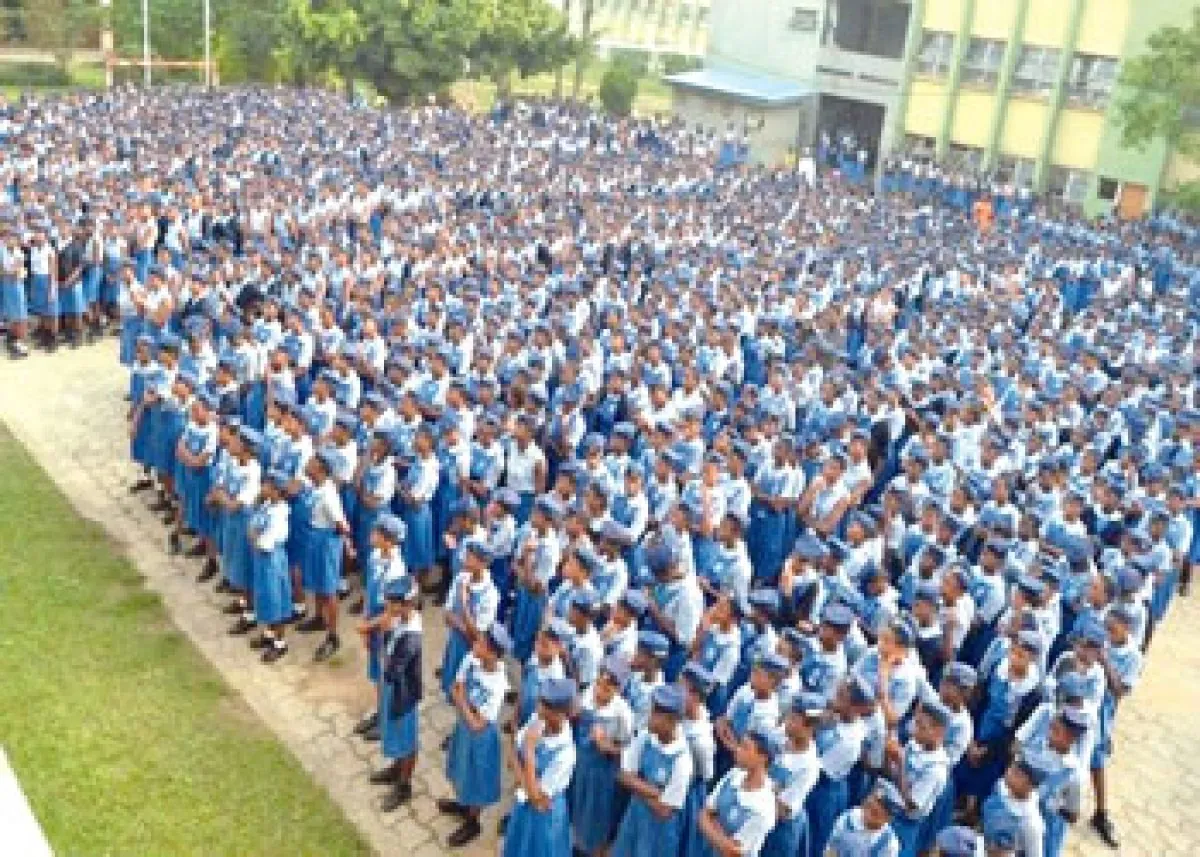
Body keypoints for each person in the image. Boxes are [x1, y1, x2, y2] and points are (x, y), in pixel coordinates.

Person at [442, 623, 512, 847]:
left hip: (481, 740)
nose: (475, 643)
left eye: (481, 642)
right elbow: (455, 687)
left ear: (492, 653)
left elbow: (478, 724)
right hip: (464, 728)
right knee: (462, 770)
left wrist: (463, 701)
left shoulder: (498, 683)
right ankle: (463, 804)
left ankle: (473, 821)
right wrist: (465, 704)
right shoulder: (472, 658)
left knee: (477, 778)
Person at [612, 684, 694, 857]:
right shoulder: (646, 736)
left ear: (672, 721)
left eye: (657, 714)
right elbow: (623, 775)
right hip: (635, 817)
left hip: (659, 831)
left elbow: (664, 810)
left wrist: (638, 786)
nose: (651, 717)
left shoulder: (682, 760)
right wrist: (655, 792)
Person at [502, 678, 579, 857]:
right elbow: (512, 753)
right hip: (525, 804)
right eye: (541, 702)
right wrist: (527, 783)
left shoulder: (565, 754)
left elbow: (538, 801)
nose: (539, 708)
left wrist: (528, 752)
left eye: (546, 706)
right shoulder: (538, 720)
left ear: (562, 714)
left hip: (544, 819)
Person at [366, 574, 423, 812]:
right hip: (395, 688)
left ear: (406, 604)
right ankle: (396, 768)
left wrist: (385, 632)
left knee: (407, 740)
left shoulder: (411, 636)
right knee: (397, 734)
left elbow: (392, 670)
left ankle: (404, 784)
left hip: (404, 693)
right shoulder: (402, 618)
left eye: (393, 602)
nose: (388, 607)